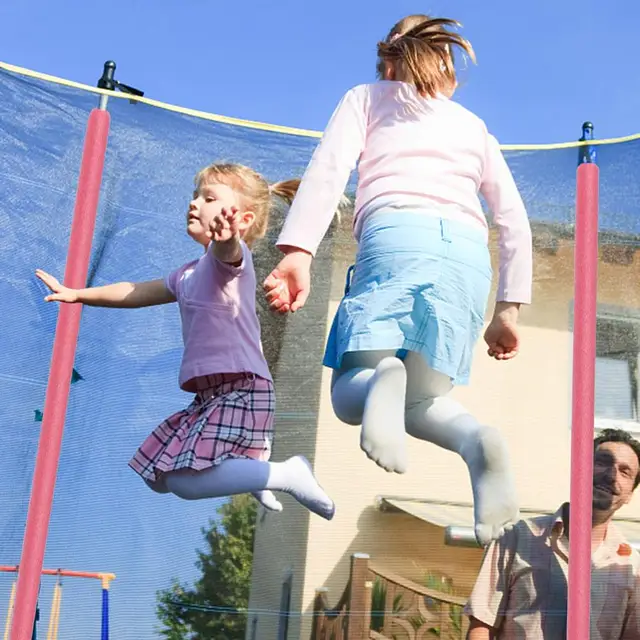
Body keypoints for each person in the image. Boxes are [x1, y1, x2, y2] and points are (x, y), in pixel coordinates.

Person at [262, 14, 532, 543]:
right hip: (467, 260)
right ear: (450, 73)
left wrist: (298, 253)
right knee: (423, 402)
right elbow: (513, 220)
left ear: (387, 61)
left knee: (346, 393)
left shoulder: (367, 98)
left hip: (396, 237)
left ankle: (381, 377)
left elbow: (328, 168)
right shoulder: (474, 128)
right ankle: (477, 443)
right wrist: (509, 307)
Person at [35, 162, 335, 521]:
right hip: (211, 394)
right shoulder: (187, 273)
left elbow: (230, 252)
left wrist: (228, 239)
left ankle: (285, 474)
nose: (194, 203)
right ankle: (255, 467)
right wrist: (77, 294)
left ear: (241, 220)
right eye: (195, 196)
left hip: (242, 386)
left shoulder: (228, 263)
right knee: (157, 477)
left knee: (182, 480)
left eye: (209, 198)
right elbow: (134, 291)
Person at [465, 428, 640, 639]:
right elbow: (482, 624)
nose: (611, 475)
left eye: (625, 471)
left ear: (630, 494)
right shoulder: (517, 538)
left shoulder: (631, 566)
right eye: (602, 462)